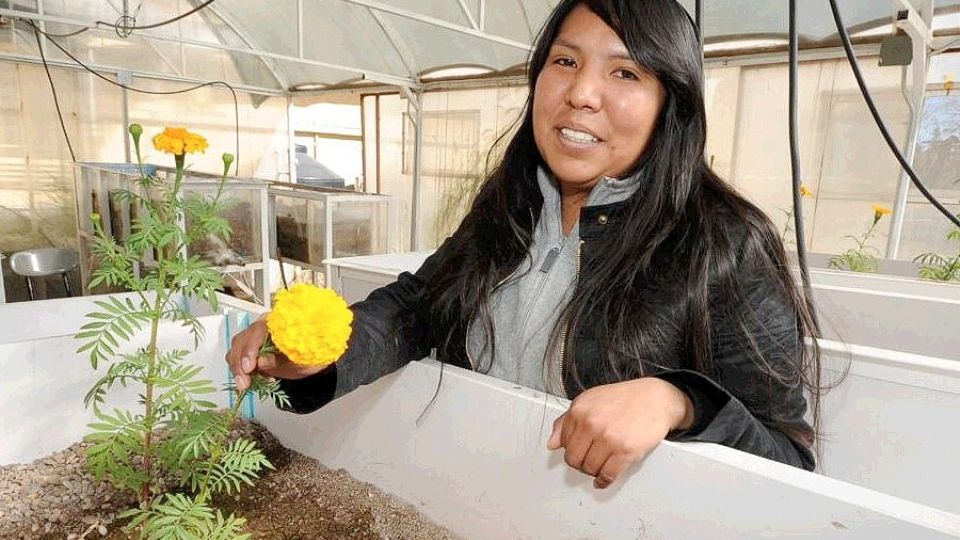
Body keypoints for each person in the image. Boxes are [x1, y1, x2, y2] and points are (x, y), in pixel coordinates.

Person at [227, 0, 822, 490]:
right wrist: (323, 352)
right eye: (565, 61)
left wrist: (676, 401)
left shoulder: (724, 242)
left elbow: (787, 459)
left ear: (672, 102)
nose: (582, 93)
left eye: (625, 72)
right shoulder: (510, 205)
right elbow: (419, 308)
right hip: (475, 495)